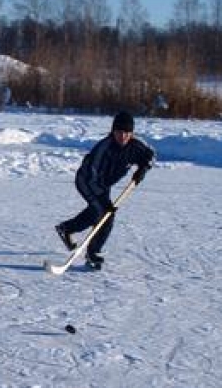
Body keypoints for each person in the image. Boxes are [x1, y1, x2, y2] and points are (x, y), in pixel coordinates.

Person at [55, 111, 155, 270]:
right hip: (87, 181)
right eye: (119, 132)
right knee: (105, 214)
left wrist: (143, 168)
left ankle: (66, 229)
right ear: (113, 131)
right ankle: (92, 253)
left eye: (127, 133)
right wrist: (102, 201)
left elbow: (150, 156)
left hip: (104, 184)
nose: (123, 136)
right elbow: (92, 177)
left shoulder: (135, 146)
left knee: (99, 212)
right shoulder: (103, 148)